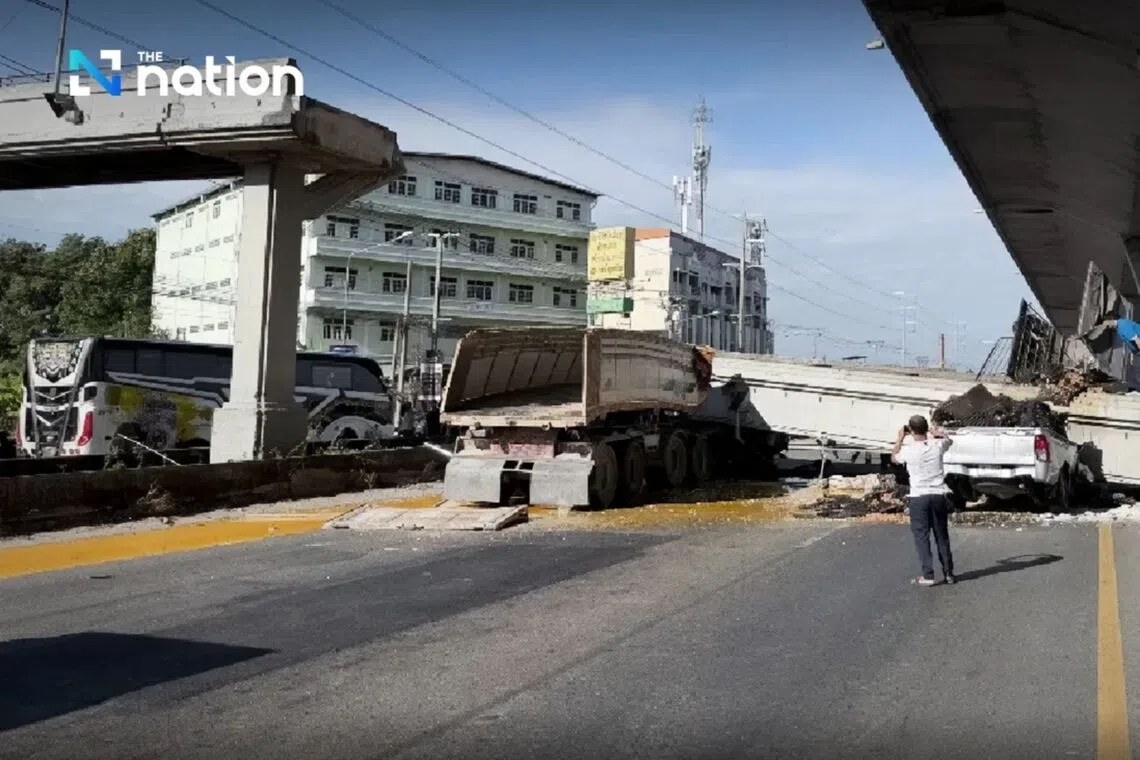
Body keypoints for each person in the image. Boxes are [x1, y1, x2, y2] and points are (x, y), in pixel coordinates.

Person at [891, 414, 955, 587]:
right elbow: (949, 440)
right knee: (941, 535)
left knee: (922, 536)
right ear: (926, 428)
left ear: (911, 431)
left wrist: (899, 438)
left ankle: (928, 575)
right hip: (938, 494)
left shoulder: (908, 450)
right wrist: (937, 432)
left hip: (919, 496)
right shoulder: (937, 445)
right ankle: (949, 573)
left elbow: (894, 458)